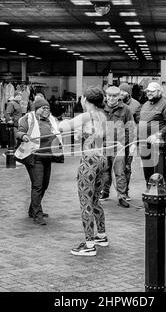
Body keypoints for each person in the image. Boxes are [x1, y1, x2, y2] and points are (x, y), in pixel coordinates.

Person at [58, 87, 109, 257]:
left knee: (86, 202)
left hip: (89, 162)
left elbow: (64, 127)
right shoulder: (102, 115)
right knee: (95, 201)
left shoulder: (87, 115)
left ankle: (89, 244)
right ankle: (101, 236)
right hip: (102, 159)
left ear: (85, 99)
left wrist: (59, 123)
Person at [15, 96, 63, 225]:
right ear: (36, 109)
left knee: (45, 185)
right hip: (34, 156)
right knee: (37, 185)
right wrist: (23, 136)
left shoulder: (51, 120)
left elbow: (58, 132)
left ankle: (33, 209)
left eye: (48, 108)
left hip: (47, 156)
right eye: (43, 107)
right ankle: (37, 214)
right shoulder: (29, 118)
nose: (46, 110)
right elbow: (19, 132)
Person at [138, 82, 166, 212]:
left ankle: (165, 206)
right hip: (145, 145)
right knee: (148, 175)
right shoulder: (145, 104)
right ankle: (151, 201)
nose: (149, 93)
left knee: (160, 176)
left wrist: (158, 134)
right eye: (147, 91)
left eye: (152, 91)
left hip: (159, 146)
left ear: (159, 91)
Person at [100, 86, 135, 208]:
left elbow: (130, 128)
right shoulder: (100, 107)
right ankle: (104, 192)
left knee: (120, 172)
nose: (111, 98)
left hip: (118, 146)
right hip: (103, 146)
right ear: (106, 95)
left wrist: (130, 144)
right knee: (104, 171)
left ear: (119, 96)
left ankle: (122, 196)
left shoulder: (126, 110)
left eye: (114, 96)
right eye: (109, 95)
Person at [119, 83, 141, 201]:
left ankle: (125, 191)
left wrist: (134, 141)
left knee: (126, 167)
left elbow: (138, 123)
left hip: (128, 141)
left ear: (129, 93)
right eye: (120, 91)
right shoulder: (114, 103)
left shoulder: (136, 105)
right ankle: (105, 191)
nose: (122, 93)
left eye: (124, 91)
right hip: (115, 140)